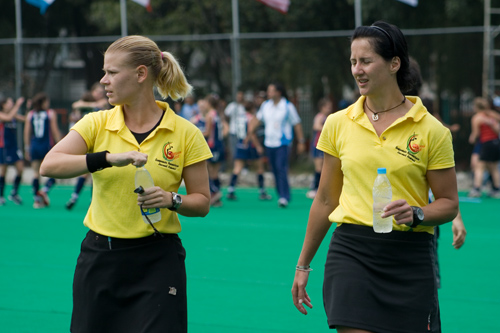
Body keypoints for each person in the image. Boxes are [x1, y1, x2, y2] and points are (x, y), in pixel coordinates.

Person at [291, 21, 459, 333]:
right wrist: (303, 265)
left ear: (394, 63)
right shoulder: (337, 123)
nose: (357, 70)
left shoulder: (433, 131)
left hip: (409, 256)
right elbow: (326, 198)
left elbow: (449, 203)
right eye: (353, 62)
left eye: (366, 61)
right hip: (352, 251)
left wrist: (417, 213)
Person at [39, 35, 212, 333]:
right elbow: (50, 165)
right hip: (99, 259)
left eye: (112, 72)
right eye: (105, 72)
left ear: (141, 74)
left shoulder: (186, 133)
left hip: (158, 262)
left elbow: (203, 202)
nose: (104, 80)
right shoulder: (96, 123)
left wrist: (172, 200)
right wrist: (106, 158)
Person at [253, 82, 306, 208]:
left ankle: (284, 196)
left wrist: (301, 142)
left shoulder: (287, 106)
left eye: (271, 90)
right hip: (269, 143)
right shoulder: (265, 105)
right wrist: (249, 131)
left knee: (281, 168)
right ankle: (280, 194)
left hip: (283, 143)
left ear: (278, 92)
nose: (269, 93)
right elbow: (257, 119)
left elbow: (297, 124)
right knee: (274, 170)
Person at [66, 83, 110, 210]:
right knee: (86, 171)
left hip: (99, 140)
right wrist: (91, 105)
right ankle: (74, 197)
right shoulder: (87, 103)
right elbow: (76, 105)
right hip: (87, 140)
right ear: (92, 92)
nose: (100, 94)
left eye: (102, 92)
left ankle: (92, 200)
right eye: (97, 92)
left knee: (95, 171)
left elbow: (102, 104)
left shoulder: (103, 102)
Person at [226, 100, 271, 201]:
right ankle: (262, 192)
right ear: (253, 109)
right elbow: (251, 133)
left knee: (237, 168)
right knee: (259, 168)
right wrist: (258, 146)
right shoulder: (252, 118)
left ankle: (231, 190)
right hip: (250, 145)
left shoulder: (240, 117)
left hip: (240, 144)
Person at [24, 92, 62, 208]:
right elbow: (55, 131)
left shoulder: (30, 114)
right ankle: (44, 191)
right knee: (55, 174)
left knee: (36, 173)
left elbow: (27, 132)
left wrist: (27, 148)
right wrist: (61, 145)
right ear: (43, 102)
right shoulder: (50, 113)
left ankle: (36, 200)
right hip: (47, 147)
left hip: (34, 146)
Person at [195, 94, 225, 207]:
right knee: (215, 172)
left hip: (212, 145)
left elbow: (207, 132)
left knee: (208, 169)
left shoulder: (209, 116)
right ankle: (217, 196)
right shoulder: (218, 114)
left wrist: (195, 134)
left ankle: (215, 192)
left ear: (209, 103)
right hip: (220, 144)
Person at [468, 97, 500, 198]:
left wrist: (472, 138)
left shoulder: (477, 117)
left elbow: (476, 134)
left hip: (486, 143)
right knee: (493, 167)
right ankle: (497, 189)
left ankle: (476, 189)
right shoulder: (491, 115)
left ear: (476, 107)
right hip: (496, 143)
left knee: (479, 166)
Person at [0, 96, 26, 205]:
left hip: (14, 147)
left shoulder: (13, 115)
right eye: (9, 102)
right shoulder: (1, 114)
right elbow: (8, 118)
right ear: (3, 105)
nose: (12, 103)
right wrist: (18, 105)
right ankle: (1, 196)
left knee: (20, 169)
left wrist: (29, 108)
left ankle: (14, 193)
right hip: (4, 146)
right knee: (3, 171)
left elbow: (25, 119)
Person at [306, 97, 333, 199]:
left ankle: (321, 189)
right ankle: (314, 188)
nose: (329, 109)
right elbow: (316, 126)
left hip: (325, 145)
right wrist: (328, 130)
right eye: (327, 107)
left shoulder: (329, 117)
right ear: (322, 107)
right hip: (318, 145)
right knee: (318, 168)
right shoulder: (320, 116)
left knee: (324, 168)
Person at [224, 90, 247, 165]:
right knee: (233, 149)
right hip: (233, 131)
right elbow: (226, 115)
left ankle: (242, 166)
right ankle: (235, 166)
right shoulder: (232, 106)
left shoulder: (244, 106)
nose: (239, 98)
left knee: (242, 149)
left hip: (242, 132)